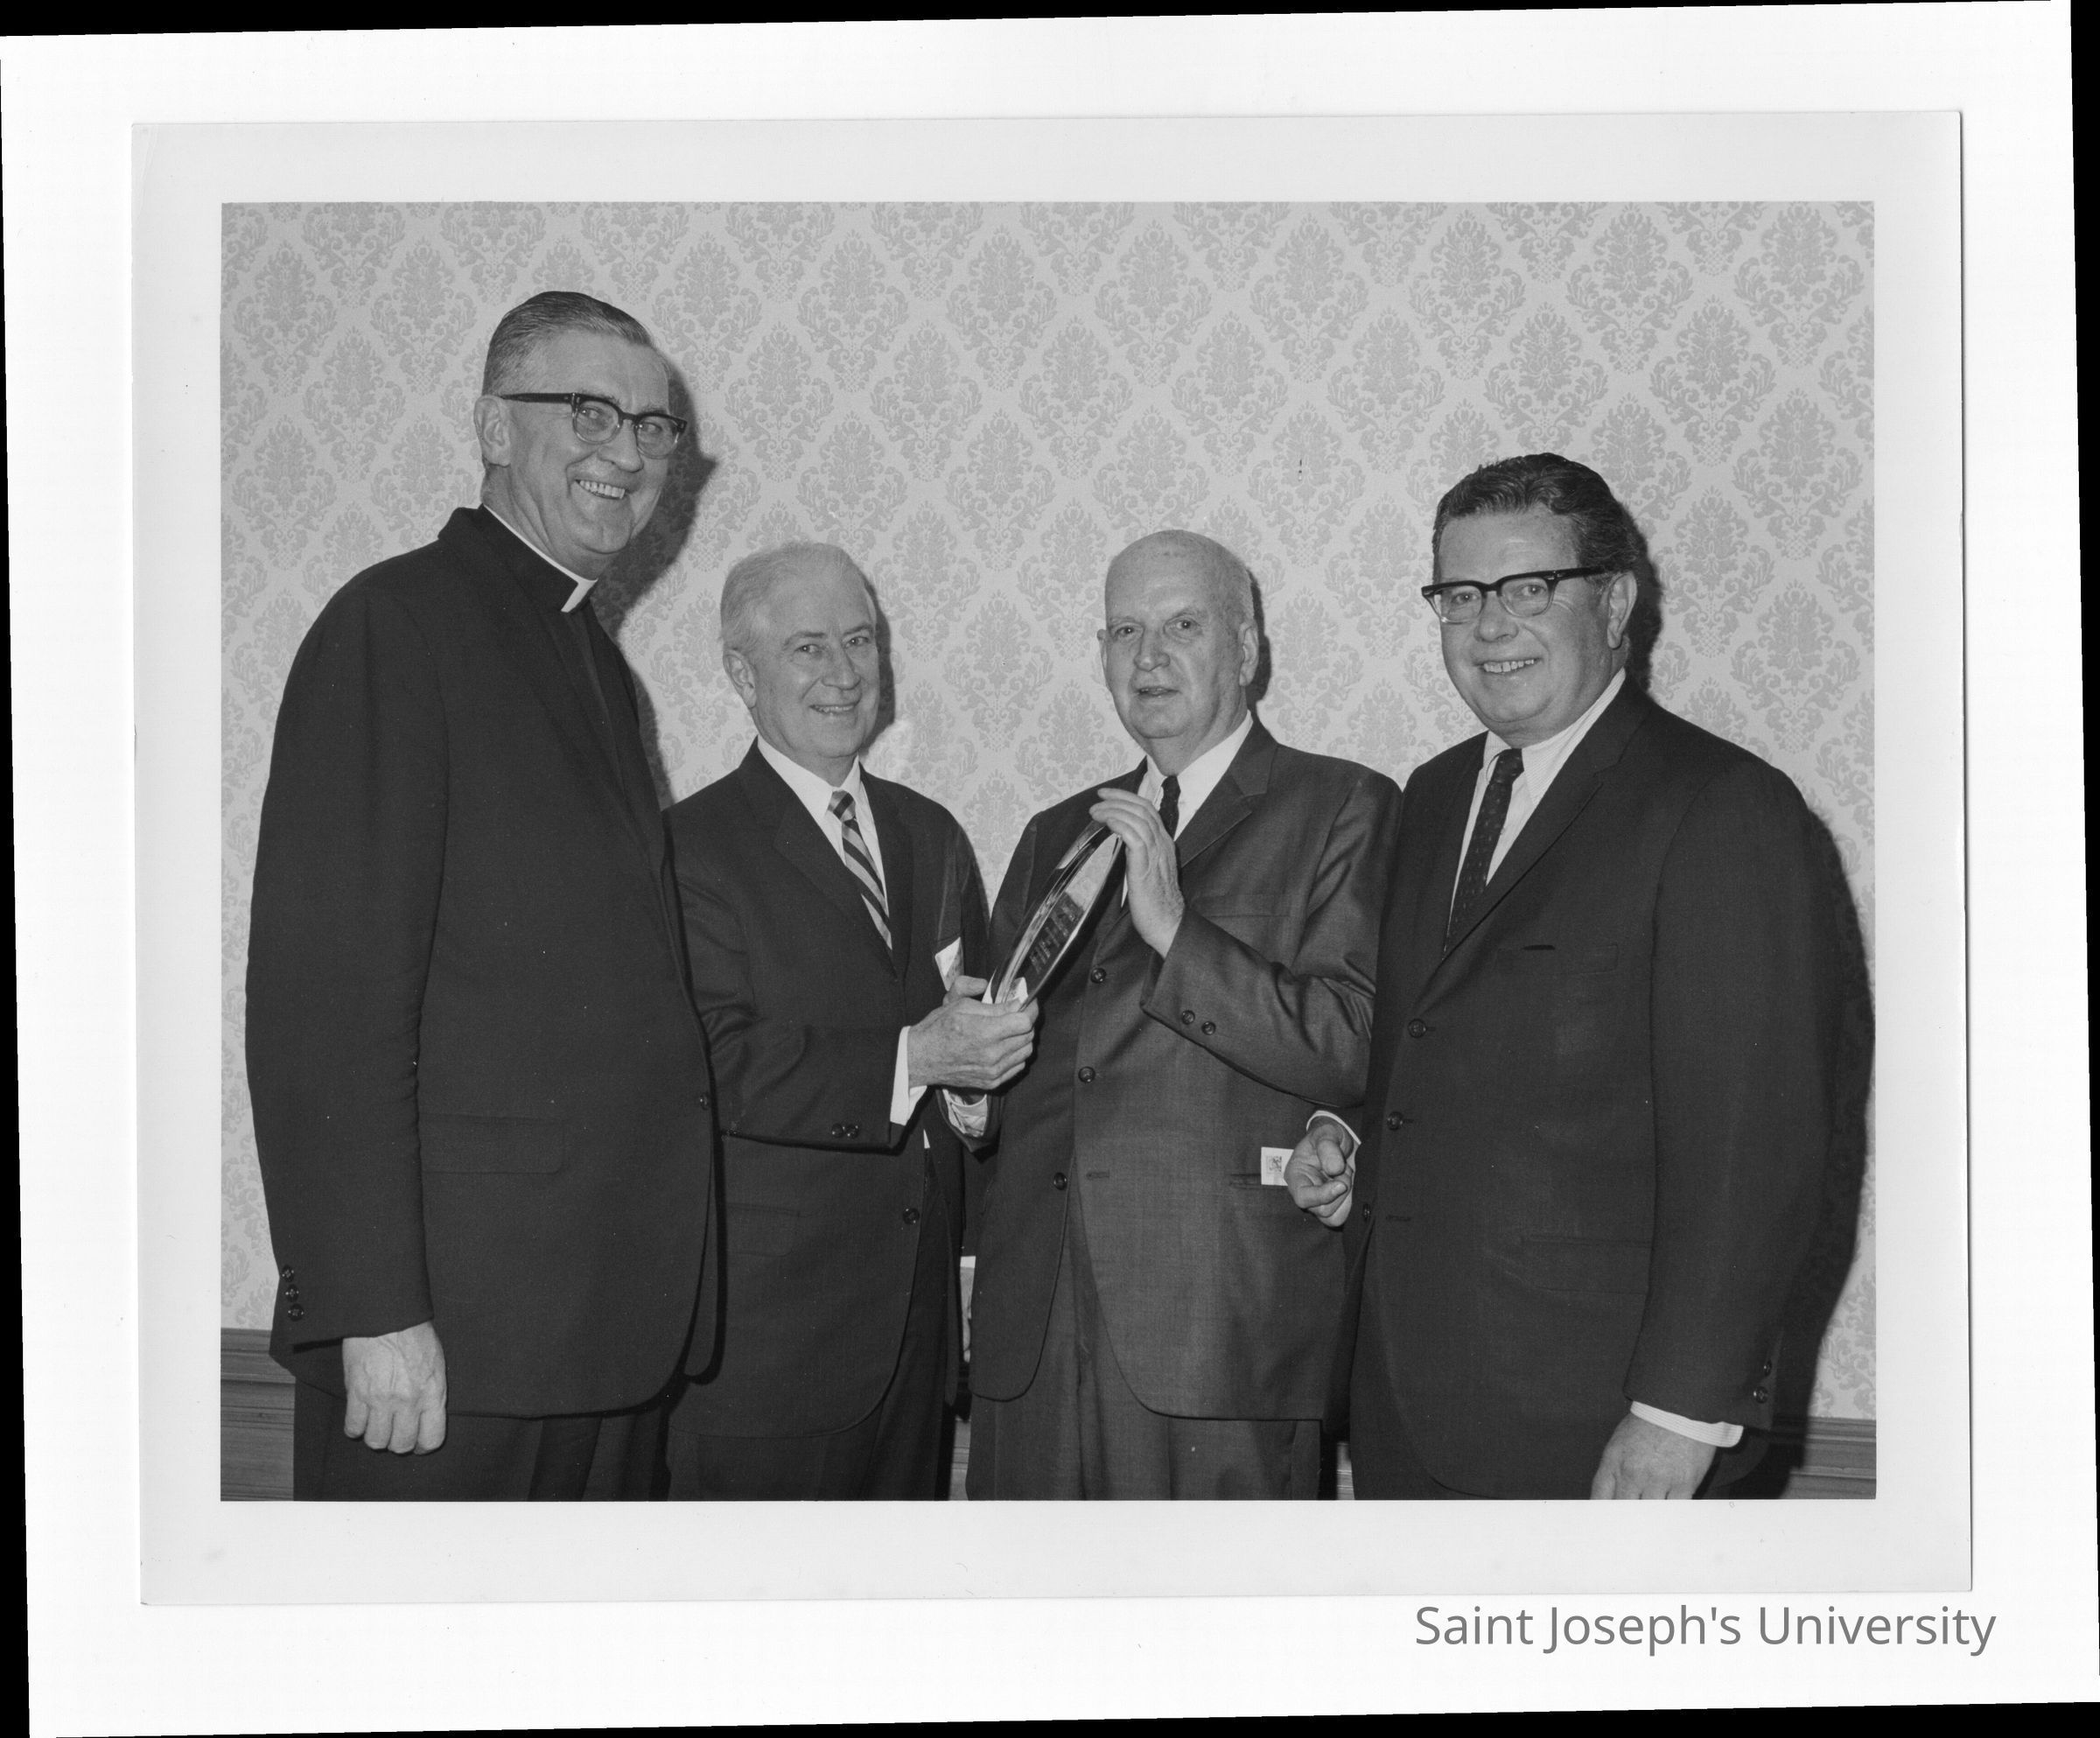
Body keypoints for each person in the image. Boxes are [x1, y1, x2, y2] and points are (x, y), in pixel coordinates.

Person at [1287, 452, 1846, 1500]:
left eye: (1529, 588)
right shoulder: (1434, 796)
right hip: (1407, 1402)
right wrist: (1350, 1133)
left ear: (1617, 602)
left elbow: (1755, 1150)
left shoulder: (1722, 808)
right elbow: (1427, 1045)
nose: (1489, 625)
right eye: (1461, 596)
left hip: (1605, 1429)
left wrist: (1680, 1414)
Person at [247, 291, 715, 1499]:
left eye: (654, 427)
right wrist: (372, 1306)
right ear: (495, 427)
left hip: (598, 1328)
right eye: (590, 413)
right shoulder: (394, 623)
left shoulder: (595, 662)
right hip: (449, 1348)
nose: (628, 453)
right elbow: (326, 1008)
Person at [963, 530, 1401, 1499]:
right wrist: (969, 1089)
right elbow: (1012, 1076)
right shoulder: (1056, 833)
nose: (1148, 657)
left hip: (1218, 1330)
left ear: (1246, 650)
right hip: (1031, 1333)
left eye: (1183, 627)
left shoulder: (1343, 806)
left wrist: (1175, 931)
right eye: (1124, 631)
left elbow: (1353, 1041)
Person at [662, 543, 1039, 1499]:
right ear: (742, 673)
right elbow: (713, 1062)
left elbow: (969, 1053)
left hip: (917, 1342)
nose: (844, 672)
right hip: (766, 1356)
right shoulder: (688, 849)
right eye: (809, 647)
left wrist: (973, 1094)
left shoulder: (930, 832)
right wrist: (919, 1057)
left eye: (860, 641)